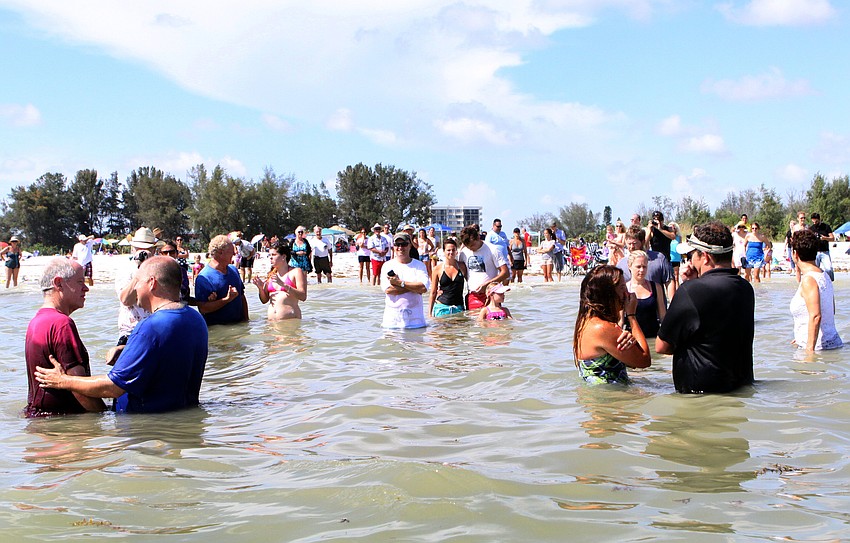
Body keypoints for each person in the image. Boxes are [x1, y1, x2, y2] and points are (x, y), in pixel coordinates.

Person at [35, 257, 209, 413]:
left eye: (136, 281)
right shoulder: (196, 319)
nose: (134, 288)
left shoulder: (150, 327)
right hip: (182, 414)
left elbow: (113, 387)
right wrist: (128, 350)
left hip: (144, 427)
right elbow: (169, 357)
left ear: (152, 283)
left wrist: (62, 381)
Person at [656, 222, 755, 394]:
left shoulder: (691, 291)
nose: (690, 260)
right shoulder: (746, 288)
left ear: (705, 257)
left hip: (699, 394)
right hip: (739, 389)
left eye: (691, 255)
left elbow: (662, 346)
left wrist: (689, 286)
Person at [25, 258, 105, 417]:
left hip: (39, 419)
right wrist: (107, 414)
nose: (86, 288)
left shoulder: (36, 321)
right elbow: (80, 390)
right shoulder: (61, 323)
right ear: (59, 283)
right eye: (80, 282)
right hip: (64, 420)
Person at [573, 265, 651, 385]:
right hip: (611, 395)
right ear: (608, 293)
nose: (627, 293)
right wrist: (631, 316)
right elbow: (644, 361)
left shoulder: (586, 321)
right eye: (622, 288)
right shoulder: (602, 329)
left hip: (598, 394)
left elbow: (631, 363)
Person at [789, 229, 842, 352]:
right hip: (831, 343)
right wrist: (801, 337)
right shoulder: (824, 275)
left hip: (818, 348)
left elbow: (816, 316)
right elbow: (830, 311)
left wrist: (809, 350)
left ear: (795, 254)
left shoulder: (809, 280)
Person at [115, 227, 157, 350]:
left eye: (147, 249)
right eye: (139, 248)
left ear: (154, 250)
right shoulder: (125, 270)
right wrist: (140, 272)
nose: (142, 253)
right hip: (130, 332)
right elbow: (126, 300)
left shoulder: (161, 270)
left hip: (156, 330)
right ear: (133, 249)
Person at [195, 234, 248, 326]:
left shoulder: (234, 270)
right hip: (219, 330)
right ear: (220, 252)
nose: (235, 253)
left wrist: (246, 320)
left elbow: (242, 297)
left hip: (239, 327)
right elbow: (203, 308)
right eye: (231, 251)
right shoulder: (204, 278)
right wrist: (227, 299)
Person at [380, 233, 430, 329]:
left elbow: (423, 288)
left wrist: (399, 283)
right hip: (391, 323)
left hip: (416, 323)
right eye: (397, 245)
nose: (400, 247)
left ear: (410, 245)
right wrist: (414, 287)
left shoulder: (419, 265)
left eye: (404, 244)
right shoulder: (387, 265)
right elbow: (388, 290)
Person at [615, 225, 674, 302]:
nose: (631, 247)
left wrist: (673, 303)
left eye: (634, 243)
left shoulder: (659, 259)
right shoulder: (621, 264)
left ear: (643, 242)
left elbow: (669, 281)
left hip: (655, 306)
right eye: (629, 244)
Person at [252, 242, 307, 320]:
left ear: (283, 256)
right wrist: (261, 289)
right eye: (269, 255)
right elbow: (264, 300)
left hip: (290, 322)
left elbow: (303, 296)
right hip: (271, 323)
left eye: (274, 255)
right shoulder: (271, 274)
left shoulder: (296, 272)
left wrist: (283, 285)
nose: (270, 258)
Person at [458, 225, 509, 310]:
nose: (471, 248)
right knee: (472, 318)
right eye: (468, 246)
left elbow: (505, 273)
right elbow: (462, 274)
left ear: (478, 237)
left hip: (491, 295)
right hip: (472, 296)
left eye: (472, 245)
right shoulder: (463, 253)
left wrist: (487, 284)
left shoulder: (493, 249)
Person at [626, 250, 666, 338]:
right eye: (638, 267)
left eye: (644, 267)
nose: (642, 270)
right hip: (632, 338)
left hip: (653, 336)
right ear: (629, 266)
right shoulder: (625, 289)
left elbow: (662, 315)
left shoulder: (656, 287)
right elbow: (620, 319)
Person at [428, 238, 467, 317]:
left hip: (458, 307)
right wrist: (429, 313)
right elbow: (433, 292)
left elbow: (470, 282)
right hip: (441, 307)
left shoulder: (462, 266)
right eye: (448, 250)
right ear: (444, 251)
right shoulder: (437, 269)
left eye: (453, 250)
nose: (451, 252)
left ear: (456, 251)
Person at [158, 239, 191, 303]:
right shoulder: (155, 272)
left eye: (172, 252)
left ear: (176, 253)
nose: (168, 255)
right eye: (165, 253)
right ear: (160, 254)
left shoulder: (182, 271)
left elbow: (186, 294)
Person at [808, 212, 834, 281]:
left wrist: (825, 238)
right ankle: (817, 283)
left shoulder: (826, 227)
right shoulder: (811, 229)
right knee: (815, 270)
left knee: (829, 269)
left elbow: (832, 238)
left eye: (816, 222)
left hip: (825, 251)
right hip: (815, 252)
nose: (815, 223)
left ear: (819, 220)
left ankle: (830, 282)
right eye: (813, 222)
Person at [668, 222, 682, 288]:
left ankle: (677, 290)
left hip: (676, 258)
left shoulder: (679, 237)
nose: (672, 228)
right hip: (669, 258)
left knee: (676, 277)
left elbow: (681, 246)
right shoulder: (667, 237)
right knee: (670, 277)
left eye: (673, 227)